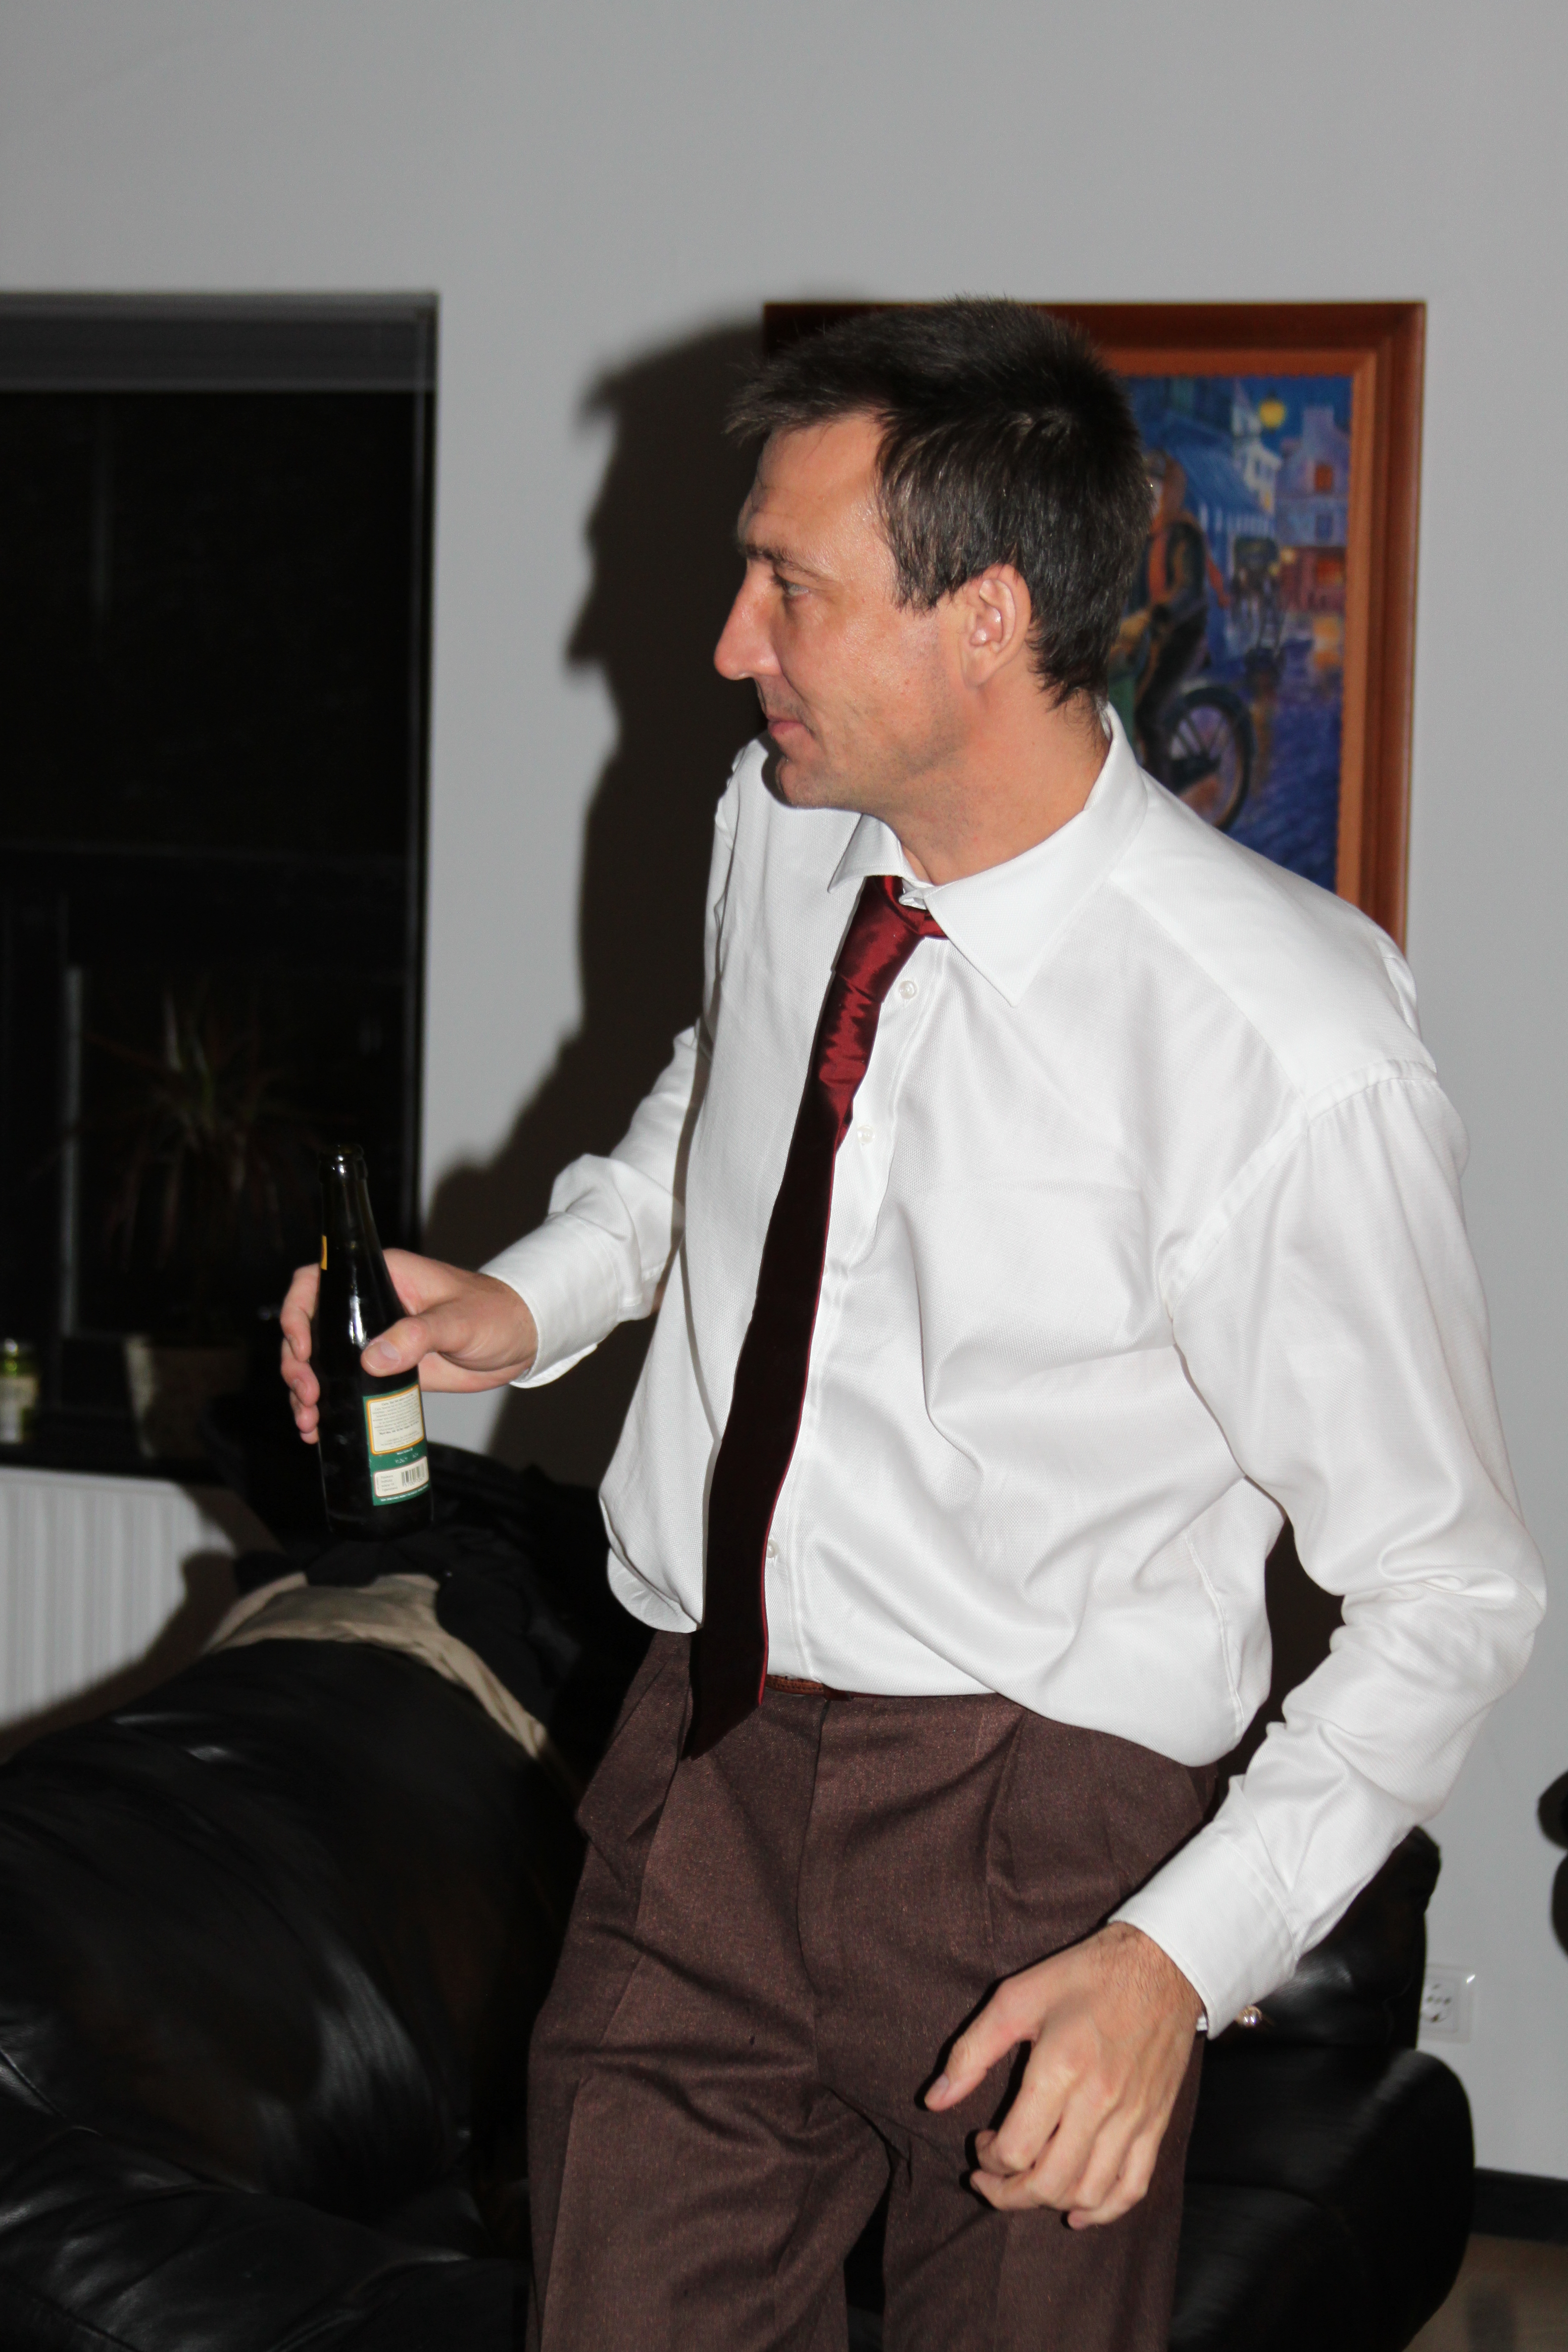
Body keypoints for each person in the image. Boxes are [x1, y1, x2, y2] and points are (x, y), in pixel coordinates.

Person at [280, 300, 1542, 2352]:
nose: (731, 643)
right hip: (698, 1759)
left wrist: (1176, 1960)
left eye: (792, 587)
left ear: (989, 619)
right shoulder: (779, 832)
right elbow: (727, 1098)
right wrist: (544, 1292)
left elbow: (1453, 1594)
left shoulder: (1287, 1047)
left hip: (1041, 1835)